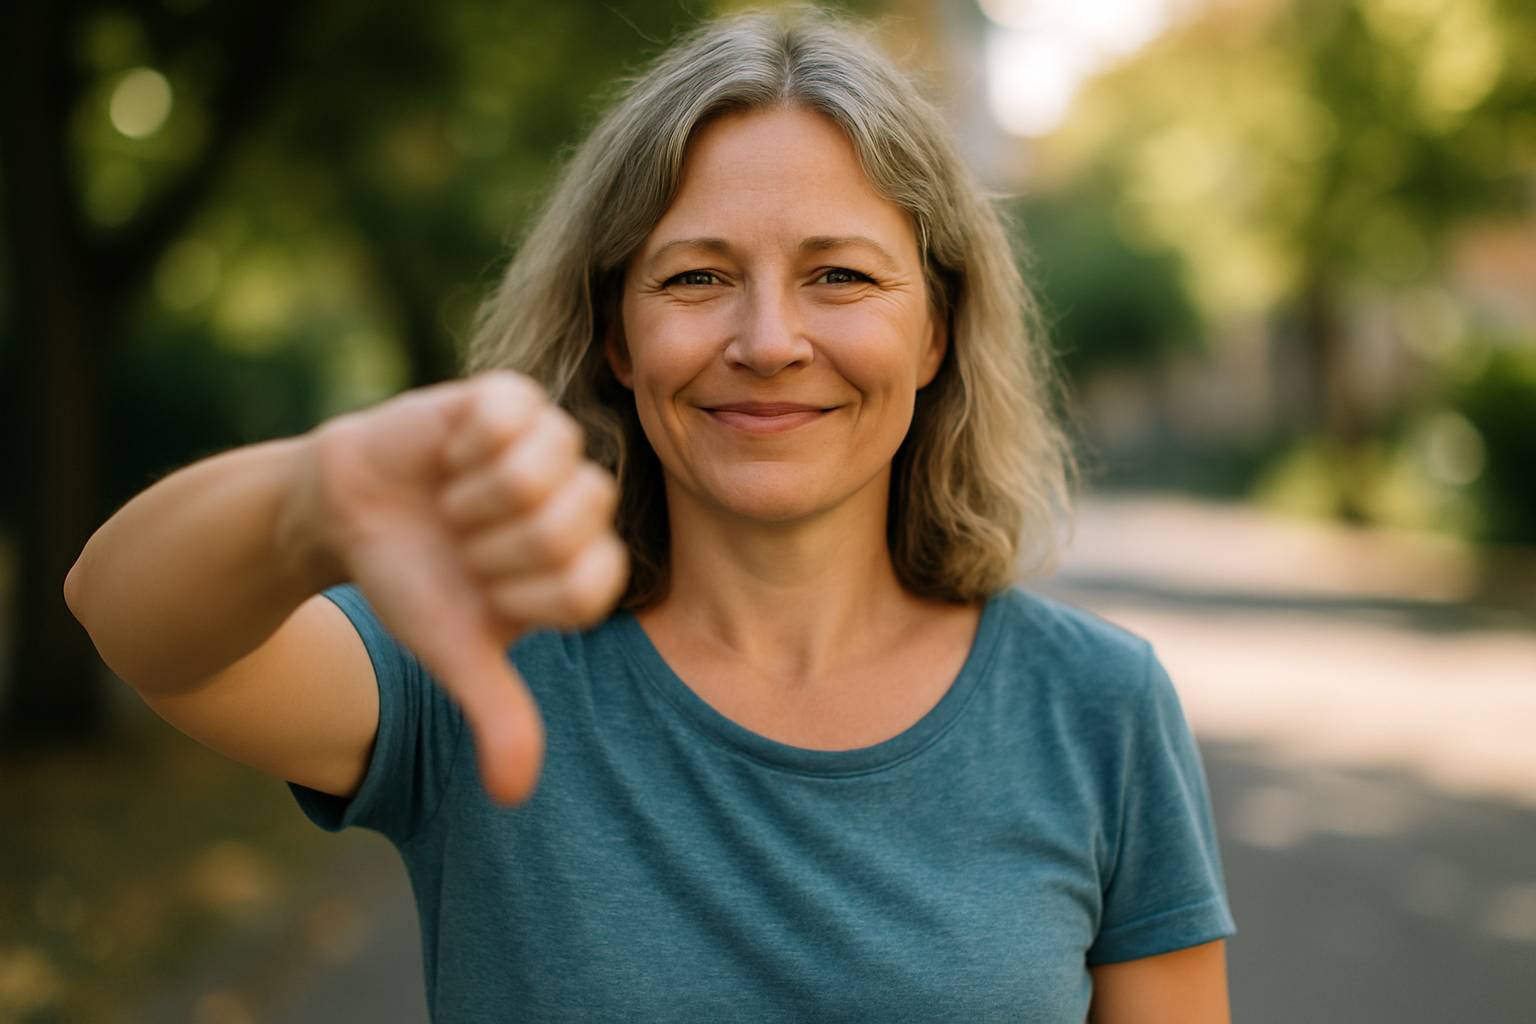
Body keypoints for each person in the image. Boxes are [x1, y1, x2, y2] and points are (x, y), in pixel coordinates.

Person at [65, 6, 1236, 1021]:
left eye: (839, 274)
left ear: (934, 329)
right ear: (617, 336)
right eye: (695, 276)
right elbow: (123, 612)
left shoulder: (1099, 706)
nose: (769, 340)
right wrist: (309, 498)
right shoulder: (478, 668)